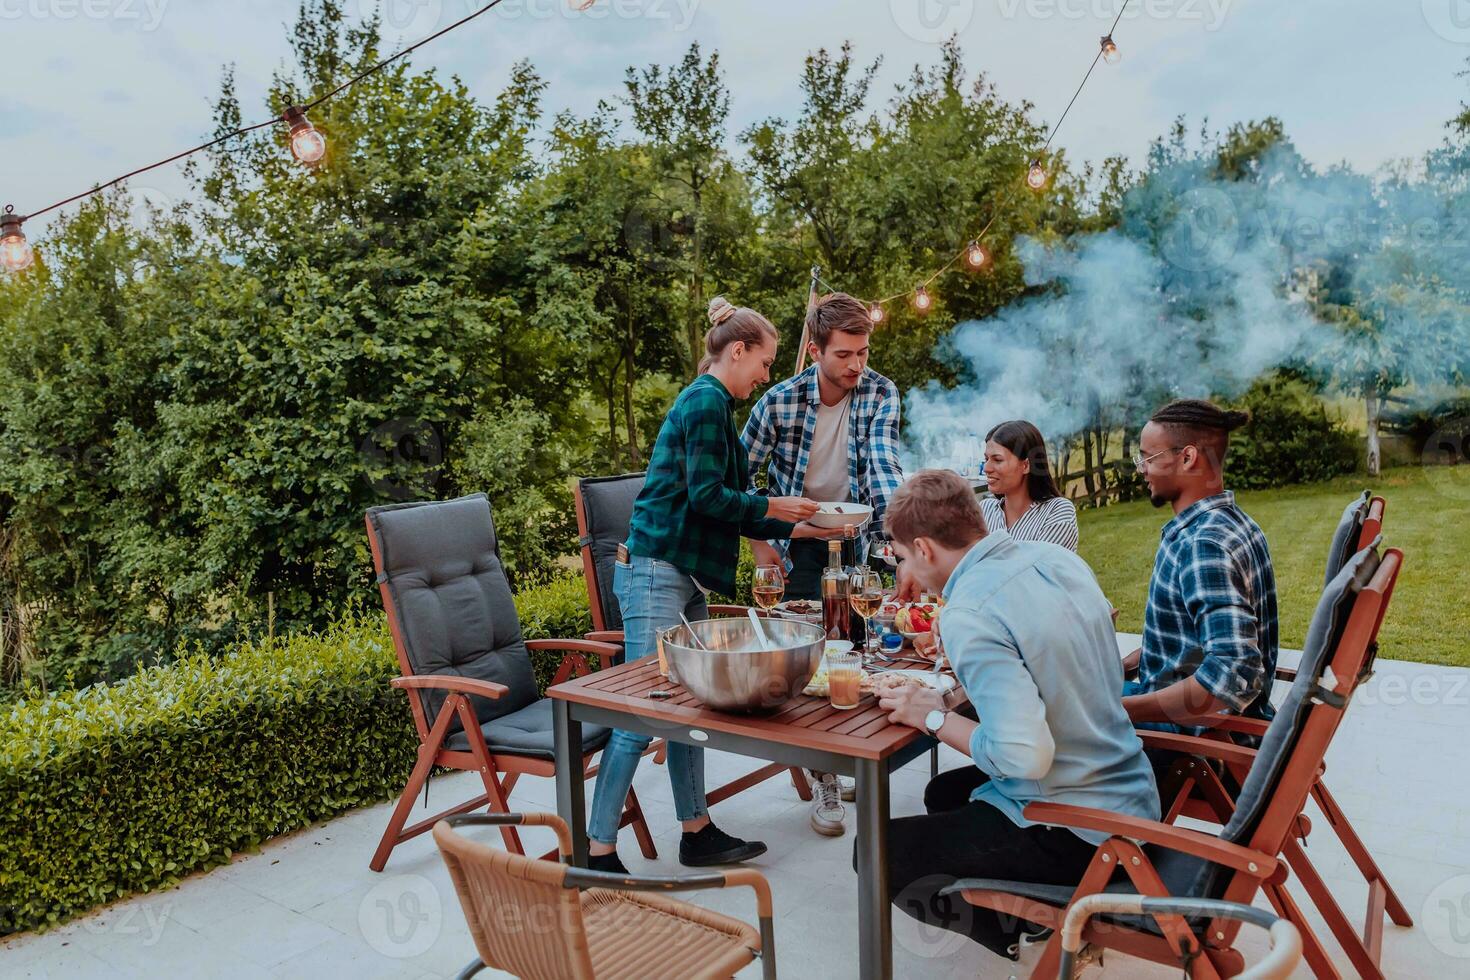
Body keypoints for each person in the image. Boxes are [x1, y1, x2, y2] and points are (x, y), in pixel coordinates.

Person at [583, 297, 837, 874]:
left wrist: (795, 522)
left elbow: (728, 506)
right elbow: (707, 498)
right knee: (640, 710)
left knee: (686, 707)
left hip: (683, 572)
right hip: (656, 570)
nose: (767, 375)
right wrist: (772, 503)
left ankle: (695, 831)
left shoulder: (716, 407)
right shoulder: (703, 402)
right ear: (738, 351)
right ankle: (595, 850)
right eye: (765, 363)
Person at [872, 470, 1158, 960]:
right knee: (943, 791)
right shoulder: (1058, 559)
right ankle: (1022, 915)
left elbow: (1023, 756)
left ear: (923, 548)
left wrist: (932, 717)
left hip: (1082, 831)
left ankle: (1024, 939)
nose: (909, 575)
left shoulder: (970, 612)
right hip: (1131, 792)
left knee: (876, 853)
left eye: (902, 559)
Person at [741, 291, 904, 837]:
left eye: (863, 352)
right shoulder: (779, 402)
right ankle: (826, 782)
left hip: (856, 540)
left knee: (856, 654)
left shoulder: (881, 392)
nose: (857, 365)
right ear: (815, 351)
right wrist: (761, 540)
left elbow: (883, 463)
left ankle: (846, 754)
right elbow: (739, 473)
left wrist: (900, 541)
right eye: (844, 355)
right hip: (796, 543)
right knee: (809, 666)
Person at [1123, 398, 1279, 738]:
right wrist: (1126, 667)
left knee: (1048, 710)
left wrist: (1118, 710)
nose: (1142, 469)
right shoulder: (1238, 525)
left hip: (1189, 742)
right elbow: (1190, 645)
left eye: (1148, 458)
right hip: (1184, 719)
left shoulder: (1203, 544)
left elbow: (1233, 674)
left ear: (1188, 457)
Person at [978, 419, 1078, 551]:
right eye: (986, 459)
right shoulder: (985, 510)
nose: (986, 468)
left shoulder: (1057, 511)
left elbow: (1034, 568)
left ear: (1026, 465)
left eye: (997, 460)